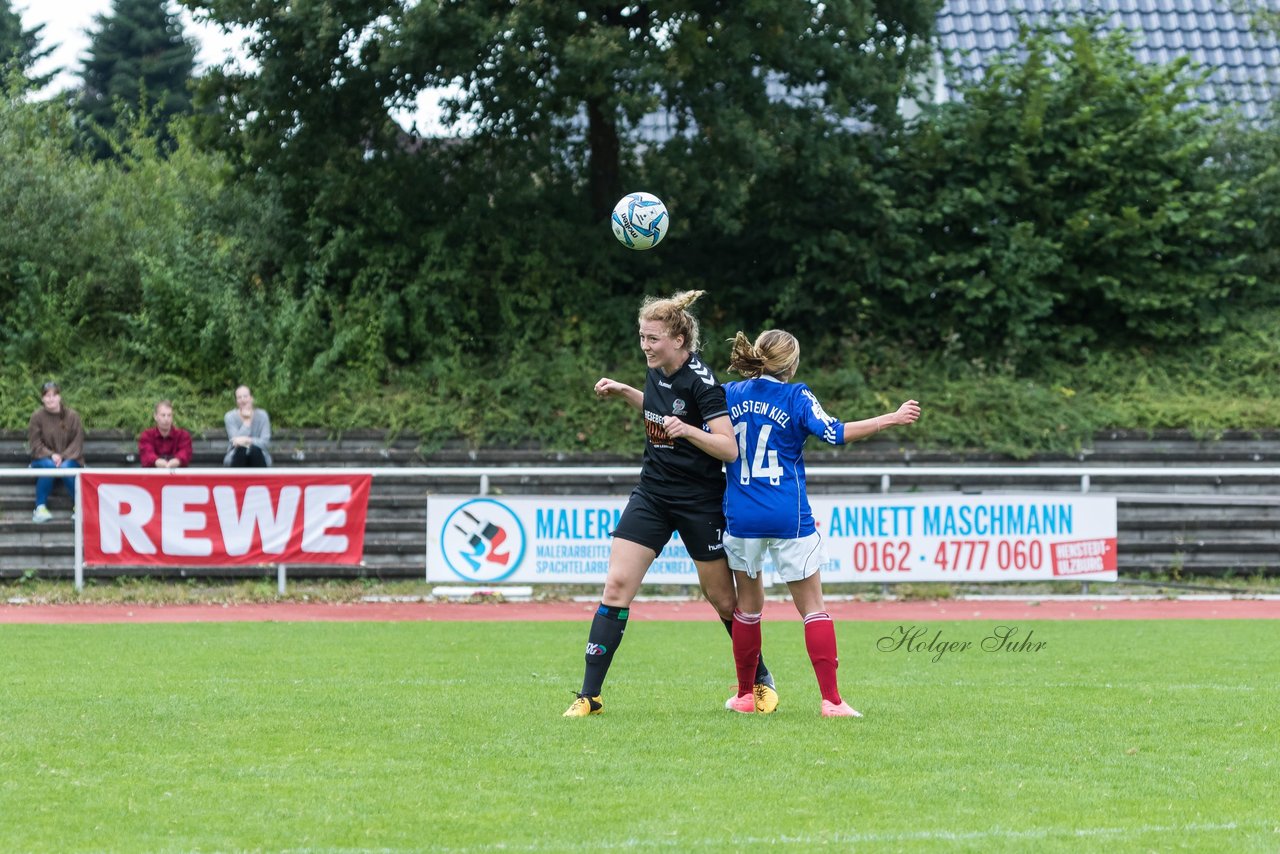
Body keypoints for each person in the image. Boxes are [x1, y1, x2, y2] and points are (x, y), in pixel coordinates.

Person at [564, 290, 778, 718]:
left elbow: (728, 448)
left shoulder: (704, 383)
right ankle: (589, 696)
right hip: (653, 495)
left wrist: (689, 432)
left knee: (721, 601)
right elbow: (661, 412)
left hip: (700, 502)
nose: (645, 345)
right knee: (616, 587)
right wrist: (627, 391)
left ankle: (759, 679)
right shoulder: (655, 369)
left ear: (679, 339)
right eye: (642, 337)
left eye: (653, 338)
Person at [720, 329, 920, 717]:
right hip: (787, 515)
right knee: (813, 608)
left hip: (741, 514)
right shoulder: (796, 396)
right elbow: (836, 432)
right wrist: (890, 419)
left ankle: (747, 695)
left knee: (747, 609)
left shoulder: (730, 394)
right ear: (791, 364)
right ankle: (831, 701)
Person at [27, 381, 86, 523]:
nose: (51, 399)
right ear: (42, 398)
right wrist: (51, 455)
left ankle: (79, 506)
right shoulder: (36, 417)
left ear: (59, 397)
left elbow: (77, 441)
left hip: (70, 459)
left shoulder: (72, 416)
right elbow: (35, 443)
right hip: (43, 459)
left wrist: (63, 457)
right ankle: (40, 508)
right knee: (49, 466)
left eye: (54, 395)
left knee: (65, 468)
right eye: (47, 396)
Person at [223, 385, 272, 467]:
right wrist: (247, 421)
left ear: (251, 398)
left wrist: (248, 440)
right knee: (241, 449)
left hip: (260, 455)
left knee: (255, 450)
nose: (243, 400)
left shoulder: (263, 415)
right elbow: (235, 443)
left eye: (245, 396)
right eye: (239, 397)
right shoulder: (229, 416)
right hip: (236, 455)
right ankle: (237, 480)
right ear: (236, 401)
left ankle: (259, 480)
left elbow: (265, 442)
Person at [138, 400, 193, 468]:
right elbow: (146, 454)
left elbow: (185, 452)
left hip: (176, 476)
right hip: (153, 476)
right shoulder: (147, 435)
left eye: (169, 415)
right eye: (163, 415)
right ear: (155, 416)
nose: (166, 419)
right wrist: (157, 461)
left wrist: (177, 461)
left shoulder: (183, 435)